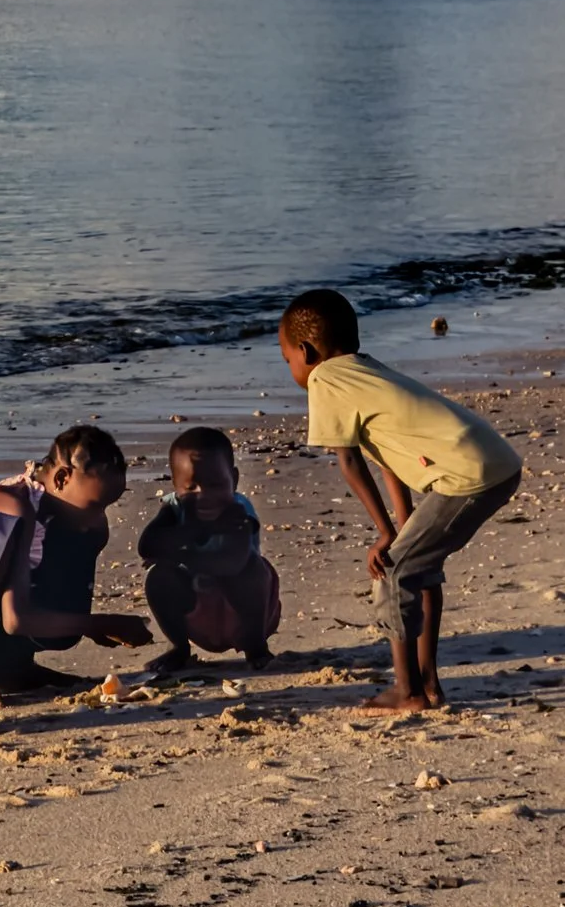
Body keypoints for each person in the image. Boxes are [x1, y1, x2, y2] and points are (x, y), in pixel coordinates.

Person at [278, 289, 523, 712]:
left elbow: (351, 462)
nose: (292, 370)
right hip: (491, 463)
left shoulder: (326, 379)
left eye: (287, 361)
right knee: (418, 567)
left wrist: (387, 536)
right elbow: (386, 458)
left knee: (394, 573)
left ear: (306, 351)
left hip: (468, 476)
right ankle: (428, 685)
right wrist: (401, 526)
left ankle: (407, 691)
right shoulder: (367, 371)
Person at [0, 424, 152, 706]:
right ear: (62, 478)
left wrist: (93, 625)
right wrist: (99, 623)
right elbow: (15, 619)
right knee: (0, 529)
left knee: (88, 535)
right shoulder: (15, 505)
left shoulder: (79, 521)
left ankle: (15, 668)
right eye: (94, 505)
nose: (99, 517)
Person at [139, 426, 281, 674]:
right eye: (191, 487)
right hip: (196, 608)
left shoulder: (238, 511)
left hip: (245, 612)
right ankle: (180, 648)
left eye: (215, 485)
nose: (203, 494)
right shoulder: (173, 508)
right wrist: (196, 532)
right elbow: (147, 546)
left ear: (234, 480)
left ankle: (256, 648)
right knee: (158, 576)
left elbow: (232, 563)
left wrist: (178, 552)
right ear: (175, 485)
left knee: (254, 569)